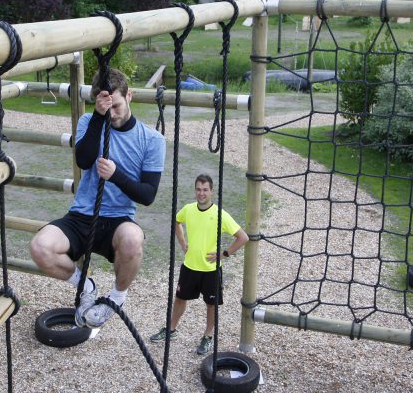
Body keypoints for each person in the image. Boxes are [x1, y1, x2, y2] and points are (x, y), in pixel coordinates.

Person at [29, 68, 166, 329]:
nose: (112, 114)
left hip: (118, 219)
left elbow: (148, 195)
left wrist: (116, 176)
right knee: (40, 247)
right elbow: (83, 160)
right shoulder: (89, 122)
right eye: (107, 108)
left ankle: (116, 298)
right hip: (82, 215)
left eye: (116, 106)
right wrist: (97, 116)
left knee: (133, 239)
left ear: (130, 96)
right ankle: (86, 285)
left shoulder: (152, 140)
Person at [149, 174, 249, 354]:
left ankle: (207, 336)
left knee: (211, 305)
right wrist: (182, 242)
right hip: (189, 267)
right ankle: (170, 329)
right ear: (195, 190)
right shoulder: (188, 209)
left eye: (205, 190)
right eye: (198, 189)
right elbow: (177, 221)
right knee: (179, 299)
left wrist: (224, 254)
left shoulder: (220, 214)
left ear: (211, 191)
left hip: (210, 270)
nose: (201, 193)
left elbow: (243, 237)